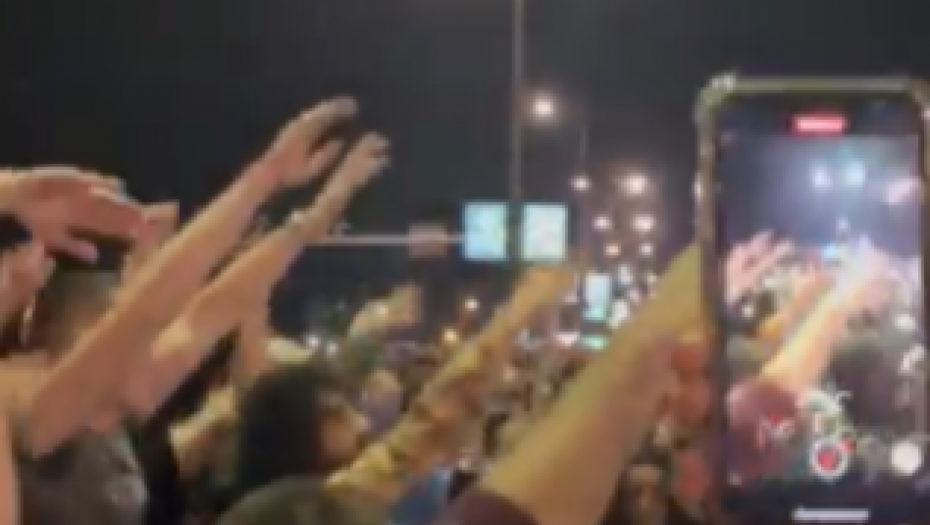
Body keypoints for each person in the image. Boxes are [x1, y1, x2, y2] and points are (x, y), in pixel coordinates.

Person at [215, 267, 574, 525]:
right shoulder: (310, 509)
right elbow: (434, 418)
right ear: (294, 434)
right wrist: (516, 317)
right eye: (336, 415)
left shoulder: (264, 506)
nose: (362, 423)